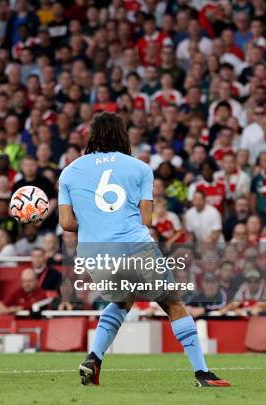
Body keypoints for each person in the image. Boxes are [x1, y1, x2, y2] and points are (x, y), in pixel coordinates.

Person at [58, 112, 229, 387]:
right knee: (173, 304)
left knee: (121, 300)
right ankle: (202, 373)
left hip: (94, 254)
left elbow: (66, 223)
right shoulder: (139, 168)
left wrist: (94, 221)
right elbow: (146, 219)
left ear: (92, 136)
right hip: (133, 246)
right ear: (122, 135)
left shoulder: (69, 171)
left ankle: (94, 358)